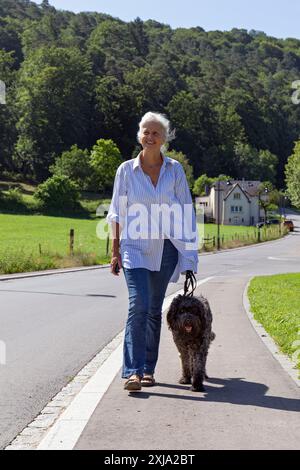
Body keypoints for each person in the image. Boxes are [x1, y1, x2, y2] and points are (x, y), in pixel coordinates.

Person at [107, 112, 198, 391]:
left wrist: (189, 255)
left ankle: (148, 369)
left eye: (155, 132)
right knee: (139, 305)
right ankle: (132, 372)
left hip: (167, 248)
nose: (150, 136)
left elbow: (186, 212)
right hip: (134, 247)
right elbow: (116, 213)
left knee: (154, 310)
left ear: (165, 138)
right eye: (146, 131)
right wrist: (115, 251)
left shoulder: (175, 170)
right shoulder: (125, 170)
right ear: (139, 135)